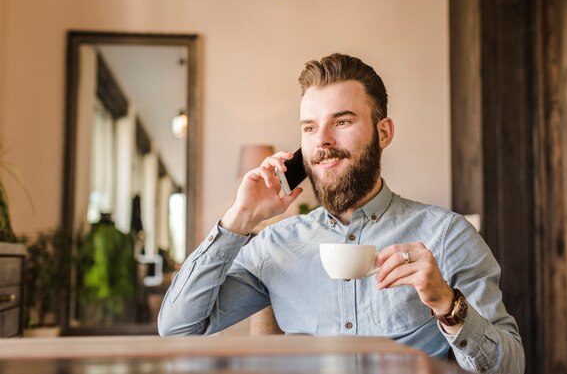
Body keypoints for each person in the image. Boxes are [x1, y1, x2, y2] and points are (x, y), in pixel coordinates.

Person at [158, 53, 525, 374]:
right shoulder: (276, 245)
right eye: (309, 127)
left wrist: (448, 304)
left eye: (342, 121)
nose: (322, 141)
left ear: (383, 133)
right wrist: (238, 218)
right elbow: (178, 330)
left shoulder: (446, 234)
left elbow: (510, 366)